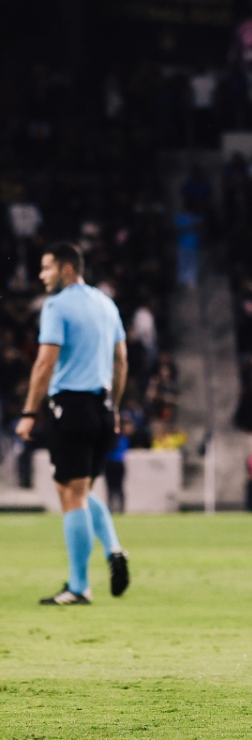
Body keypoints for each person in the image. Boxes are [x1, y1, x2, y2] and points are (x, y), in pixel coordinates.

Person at [15, 243, 131, 605]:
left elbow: (45, 363)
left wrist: (29, 412)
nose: (41, 276)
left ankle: (78, 586)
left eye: (47, 268)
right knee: (81, 492)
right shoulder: (105, 303)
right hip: (101, 407)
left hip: (71, 404)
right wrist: (114, 406)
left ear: (66, 269)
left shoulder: (57, 306)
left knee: (70, 494)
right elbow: (121, 360)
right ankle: (113, 548)